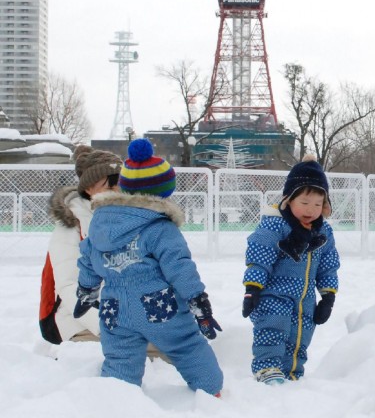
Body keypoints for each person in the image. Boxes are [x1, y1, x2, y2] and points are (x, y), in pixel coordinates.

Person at [75, 138, 223, 397]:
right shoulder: (160, 228)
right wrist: (198, 301)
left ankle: (118, 396)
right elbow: (179, 267)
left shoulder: (99, 222)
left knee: (120, 357)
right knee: (186, 345)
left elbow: (88, 257)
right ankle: (210, 389)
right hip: (158, 306)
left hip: (115, 308)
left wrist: (87, 291)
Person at [242, 154, 341, 384]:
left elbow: (328, 266)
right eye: (305, 203)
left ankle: (293, 372)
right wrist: (252, 287)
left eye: (318, 204)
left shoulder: (322, 232)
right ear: (289, 200)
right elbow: (260, 256)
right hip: (273, 294)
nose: (311, 210)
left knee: (301, 334)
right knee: (273, 329)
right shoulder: (275, 224)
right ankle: (267, 368)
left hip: (304, 298)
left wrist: (328, 297)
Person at [39, 145, 122, 345]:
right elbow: (68, 285)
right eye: (109, 187)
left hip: (122, 311)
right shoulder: (72, 223)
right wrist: (105, 324)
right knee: (133, 351)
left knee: (171, 348)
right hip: (76, 316)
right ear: (88, 188)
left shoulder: (124, 218)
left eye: (121, 185)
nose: (117, 192)